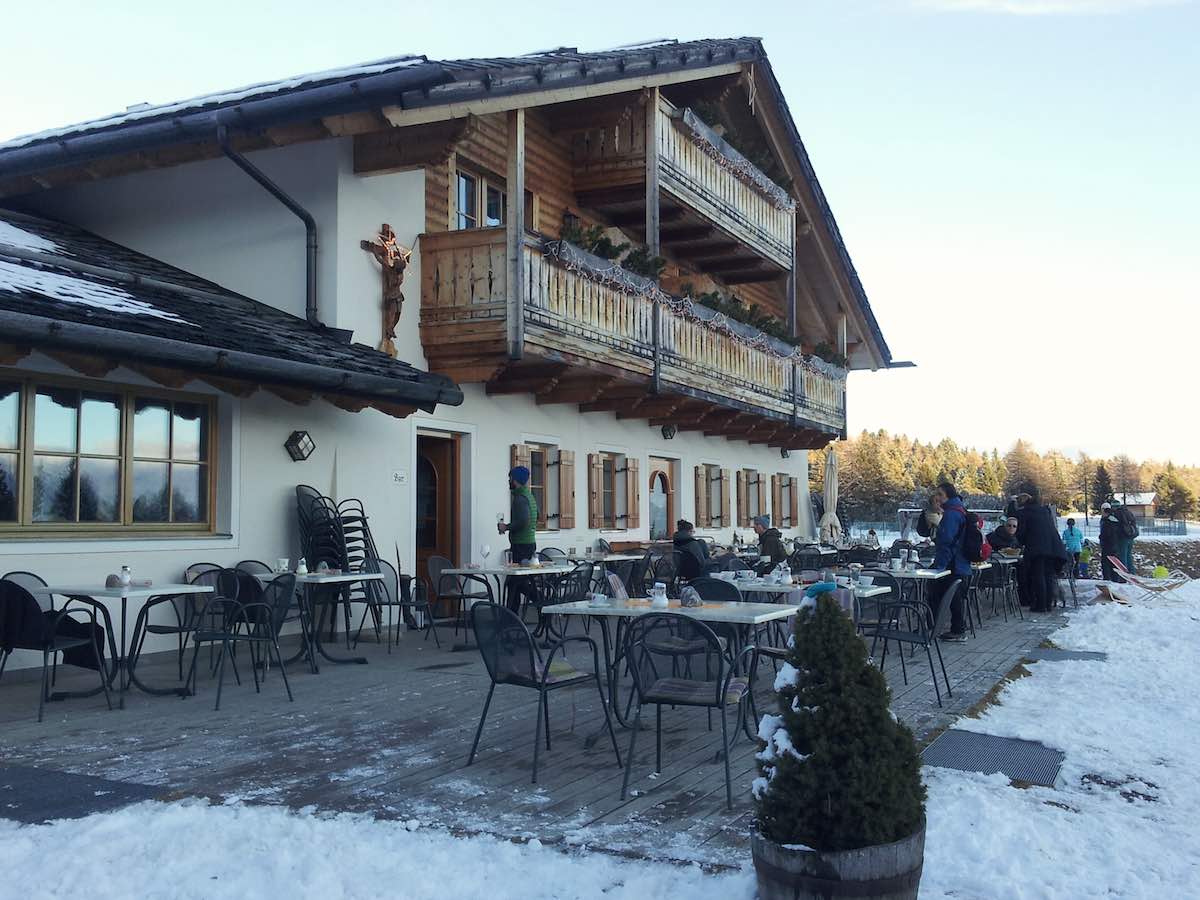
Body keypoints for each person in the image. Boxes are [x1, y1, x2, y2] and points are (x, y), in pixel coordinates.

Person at [931, 481, 971, 642]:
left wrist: (936, 537)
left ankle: (941, 627)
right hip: (961, 562)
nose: (937, 497)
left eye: (940, 494)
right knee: (954, 596)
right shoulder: (961, 509)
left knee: (939, 593)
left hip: (951, 562)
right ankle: (956, 628)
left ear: (948, 495)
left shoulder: (951, 514)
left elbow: (947, 539)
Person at [497, 465, 538, 612]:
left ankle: (543, 602)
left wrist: (505, 527)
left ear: (515, 480)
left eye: (510, 478)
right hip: (528, 543)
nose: (509, 481)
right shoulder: (529, 496)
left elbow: (523, 521)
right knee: (516, 582)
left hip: (521, 545)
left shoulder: (520, 499)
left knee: (515, 583)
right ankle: (512, 615)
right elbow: (533, 518)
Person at [1015, 490, 1059, 613]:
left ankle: (1040, 605)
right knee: (1048, 576)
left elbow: (1021, 533)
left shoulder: (1024, 513)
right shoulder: (1044, 511)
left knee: (1038, 576)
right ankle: (1048, 604)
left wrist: (1021, 543)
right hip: (1052, 547)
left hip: (1036, 548)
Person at [1110, 499, 1138, 574]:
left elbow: (1115, 526)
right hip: (1130, 537)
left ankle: (1124, 574)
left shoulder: (1116, 514)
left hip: (1122, 537)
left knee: (1122, 556)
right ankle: (1132, 572)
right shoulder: (1128, 512)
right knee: (1129, 555)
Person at [1098, 501, 1121, 581]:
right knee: (1114, 564)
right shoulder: (1115, 519)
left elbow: (1106, 533)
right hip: (1115, 545)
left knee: (1106, 564)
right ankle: (1115, 579)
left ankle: (1107, 580)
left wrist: (1101, 537)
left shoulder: (1106, 521)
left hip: (1108, 545)